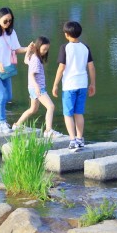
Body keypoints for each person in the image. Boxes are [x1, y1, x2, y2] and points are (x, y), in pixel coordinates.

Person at [51, 20, 96, 151]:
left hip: (69, 85)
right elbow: (91, 67)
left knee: (68, 114)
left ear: (66, 34)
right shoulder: (85, 47)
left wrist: (55, 84)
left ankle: (72, 140)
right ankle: (80, 139)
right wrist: (92, 84)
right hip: (83, 84)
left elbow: (61, 67)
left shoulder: (65, 48)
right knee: (79, 113)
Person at [0, 7, 26, 134]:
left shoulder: (11, 33)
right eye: (5, 21)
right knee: (1, 95)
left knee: (8, 96)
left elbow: (16, 49)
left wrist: (28, 49)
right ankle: (2, 122)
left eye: (10, 21)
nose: (8, 23)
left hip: (6, 69)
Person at [13, 36, 58, 137]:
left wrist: (28, 51)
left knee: (33, 109)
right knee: (51, 106)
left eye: (47, 49)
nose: (45, 52)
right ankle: (48, 130)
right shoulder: (36, 60)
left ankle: (17, 125)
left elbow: (25, 60)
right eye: (44, 49)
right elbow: (31, 75)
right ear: (38, 47)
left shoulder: (33, 57)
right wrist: (37, 87)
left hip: (32, 88)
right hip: (38, 88)